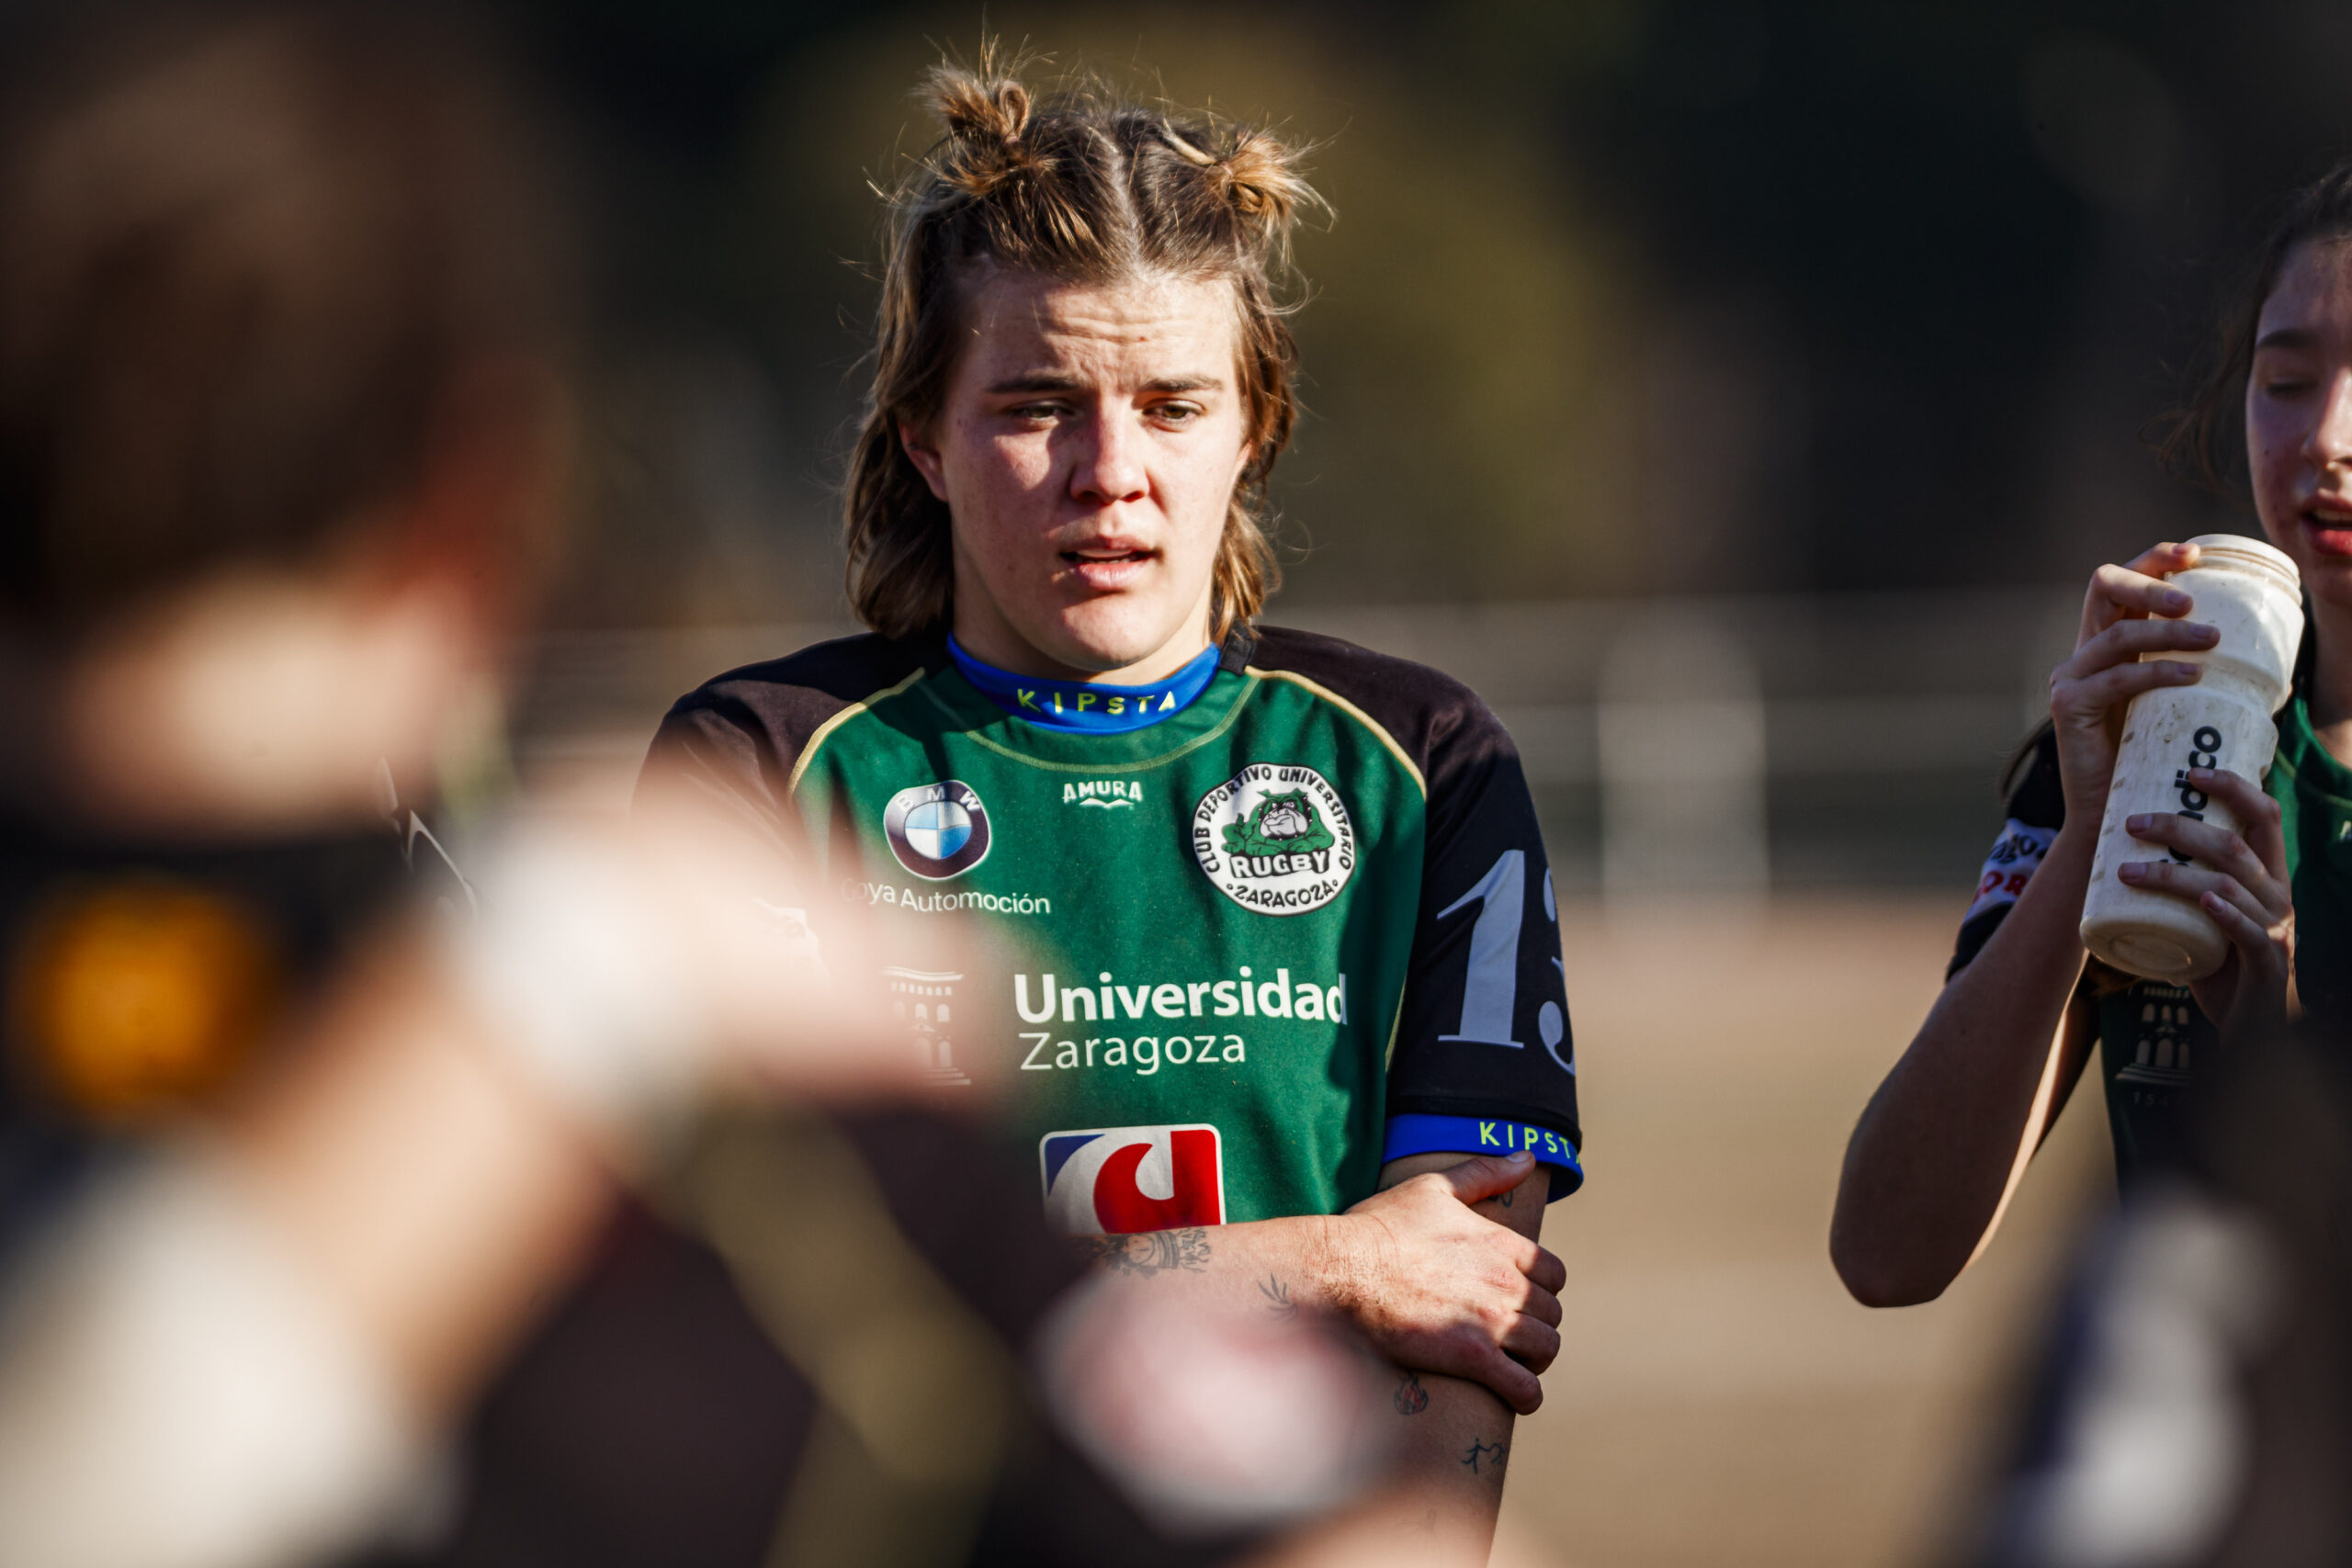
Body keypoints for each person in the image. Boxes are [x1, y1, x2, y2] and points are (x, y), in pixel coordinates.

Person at [639, 55, 1582, 1560]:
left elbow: (1462, 1301)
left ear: (1253, 428)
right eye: (1036, 405)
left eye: (1171, 403)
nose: (1112, 474)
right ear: (922, 440)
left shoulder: (1421, 763)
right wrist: (1315, 1260)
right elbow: (786, 1306)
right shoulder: (762, 765)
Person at [1829, 159, 2352, 1309]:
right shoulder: (2166, 745)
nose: (2323, 436)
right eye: (2284, 381)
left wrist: (2274, 1035)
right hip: (2211, 1479)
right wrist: (2088, 837)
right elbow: (1886, 1250)